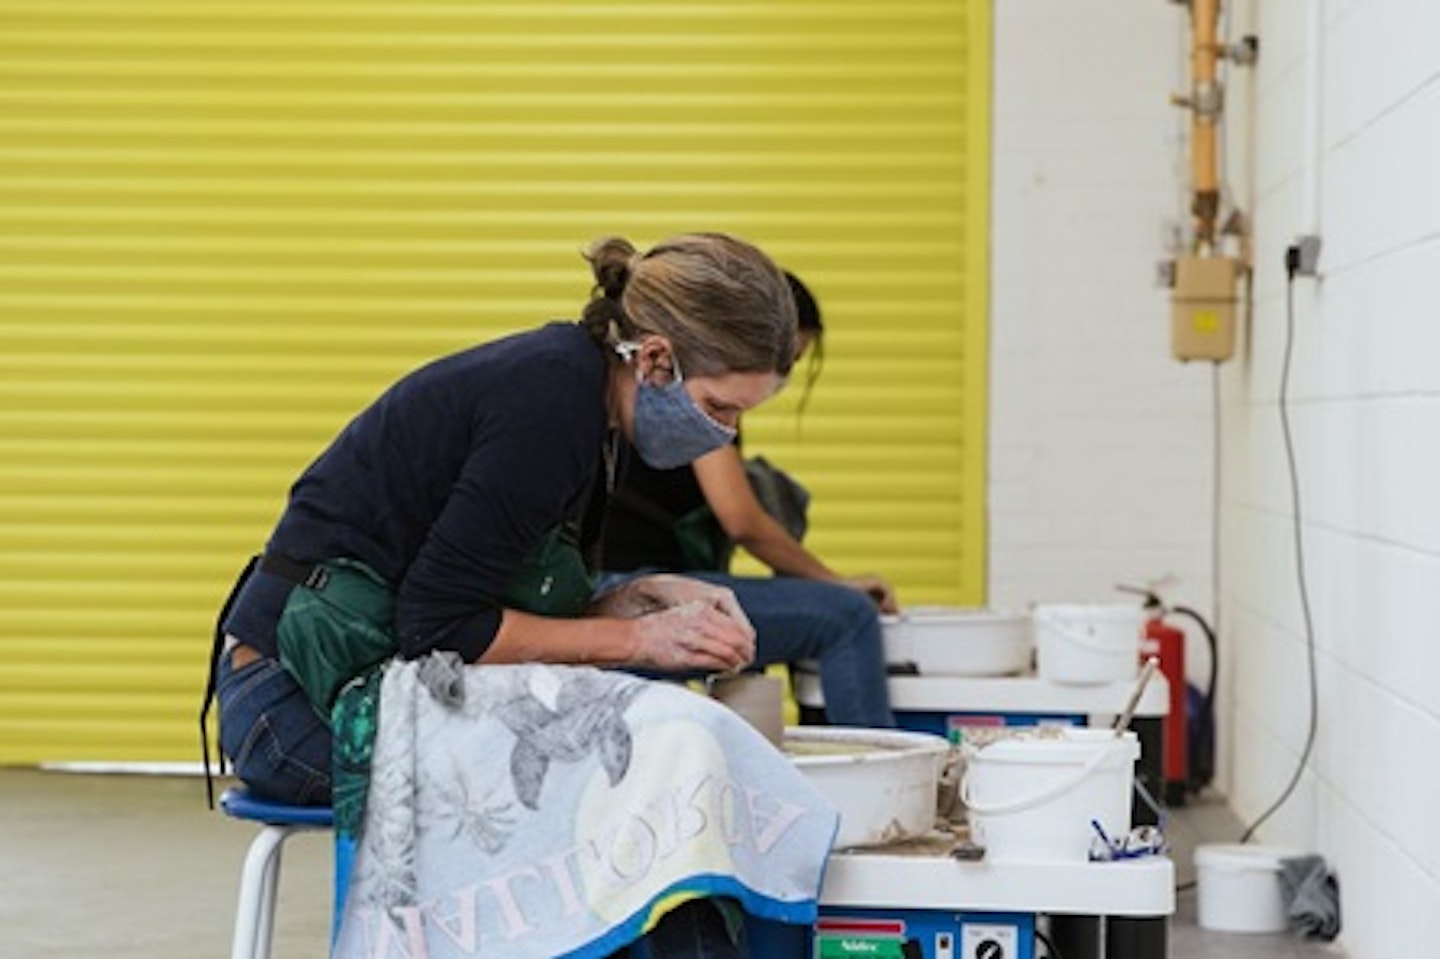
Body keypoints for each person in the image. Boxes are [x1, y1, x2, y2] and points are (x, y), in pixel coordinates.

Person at [204, 232, 801, 959]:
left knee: (653, 771)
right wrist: (640, 642)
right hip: (294, 706)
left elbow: (484, 601)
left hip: (376, 675)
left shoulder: (586, 406)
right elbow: (441, 625)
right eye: (719, 407)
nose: (724, 434)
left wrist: (637, 599)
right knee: (630, 779)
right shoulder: (548, 404)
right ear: (653, 358)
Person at [599, 272, 897, 728]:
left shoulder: (660, 380)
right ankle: (879, 785)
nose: (776, 383)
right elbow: (742, 520)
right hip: (627, 590)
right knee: (848, 617)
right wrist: (836, 584)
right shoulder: (705, 397)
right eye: (784, 360)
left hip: (616, 586)